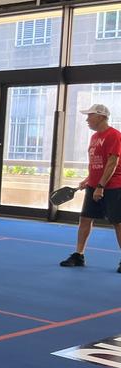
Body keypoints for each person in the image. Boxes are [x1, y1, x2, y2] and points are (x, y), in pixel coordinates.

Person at [60, 103, 121, 272]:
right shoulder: (94, 137)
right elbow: (98, 163)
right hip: (94, 185)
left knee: (118, 222)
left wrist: (101, 186)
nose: (87, 119)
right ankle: (79, 255)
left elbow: (112, 162)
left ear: (101, 116)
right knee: (85, 219)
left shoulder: (114, 135)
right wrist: (89, 180)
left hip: (113, 186)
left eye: (90, 115)